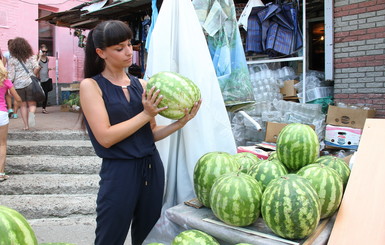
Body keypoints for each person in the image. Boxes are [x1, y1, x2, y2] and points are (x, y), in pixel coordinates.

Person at [80, 20, 201, 245]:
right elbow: (105, 137)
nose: (128, 52)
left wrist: (180, 123)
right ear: (101, 53)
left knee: (147, 236)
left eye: (129, 44)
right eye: (119, 48)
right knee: (109, 235)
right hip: (119, 172)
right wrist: (145, 114)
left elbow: (151, 132)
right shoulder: (91, 86)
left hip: (151, 168)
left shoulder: (142, 85)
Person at [7, 37, 40, 130]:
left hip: (18, 85)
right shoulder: (31, 57)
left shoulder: (12, 60)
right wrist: (33, 74)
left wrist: (10, 88)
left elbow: (11, 76)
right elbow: (37, 67)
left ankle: (26, 126)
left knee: (23, 105)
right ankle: (32, 114)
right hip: (30, 83)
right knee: (32, 103)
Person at [0, 61, 22, 181]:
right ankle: (1, 173)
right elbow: (18, 98)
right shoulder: (5, 81)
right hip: (2, 113)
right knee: (2, 144)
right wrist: (14, 110)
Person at [37, 44, 53, 114]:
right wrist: (39, 56)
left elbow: (45, 67)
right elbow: (35, 66)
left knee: (46, 94)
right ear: (40, 51)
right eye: (43, 51)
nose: (44, 53)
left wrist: (48, 69)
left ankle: (44, 108)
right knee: (39, 94)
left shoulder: (47, 58)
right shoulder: (38, 58)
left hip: (46, 79)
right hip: (40, 79)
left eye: (46, 52)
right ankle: (33, 106)